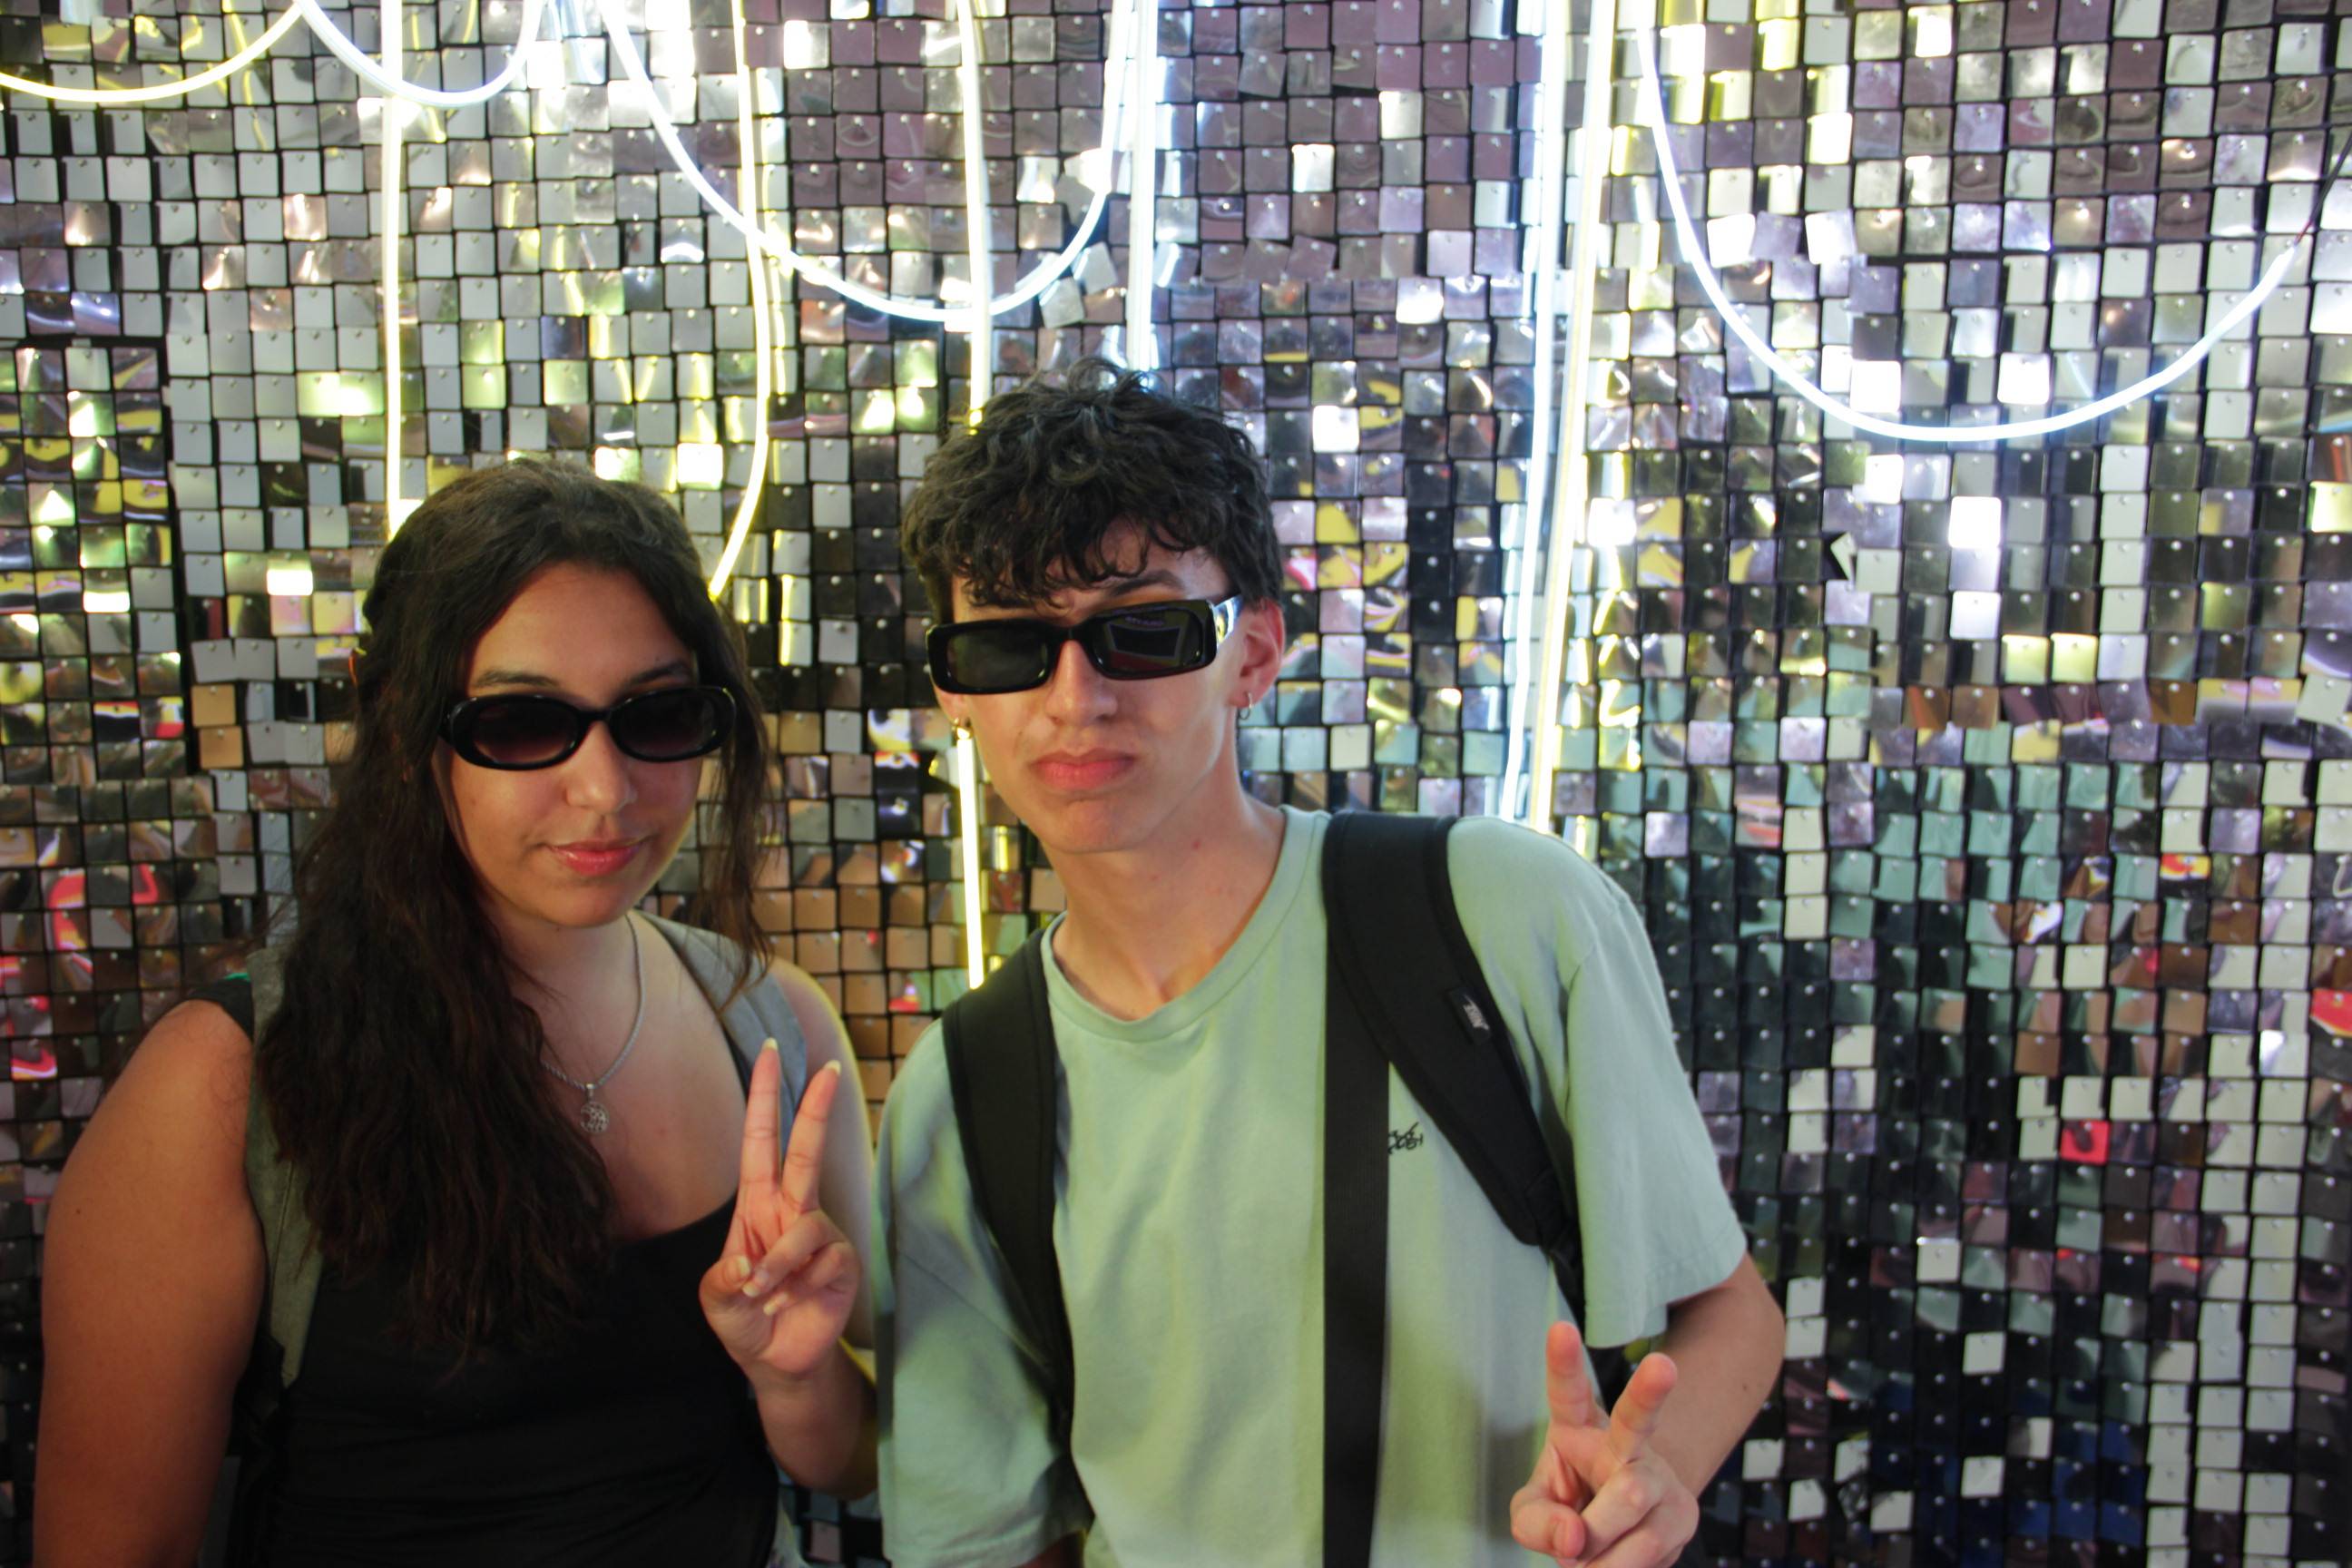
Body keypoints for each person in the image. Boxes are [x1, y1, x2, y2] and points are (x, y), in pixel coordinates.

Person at [875, 361, 1787, 1568]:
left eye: (1143, 632)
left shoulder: (1501, 918)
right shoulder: (965, 1095)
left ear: (1254, 653)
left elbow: (1727, 1310)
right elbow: (987, 1536)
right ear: (954, 689)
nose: (1073, 697)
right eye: (1008, 646)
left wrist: (1652, 1479)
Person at [37, 461, 876, 1566]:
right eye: (522, 724)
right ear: (399, 721)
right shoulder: (224, 1086)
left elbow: (855, 1460)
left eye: (658, 715)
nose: (605, 790)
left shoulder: (774, 1026)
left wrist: (792, 1375)